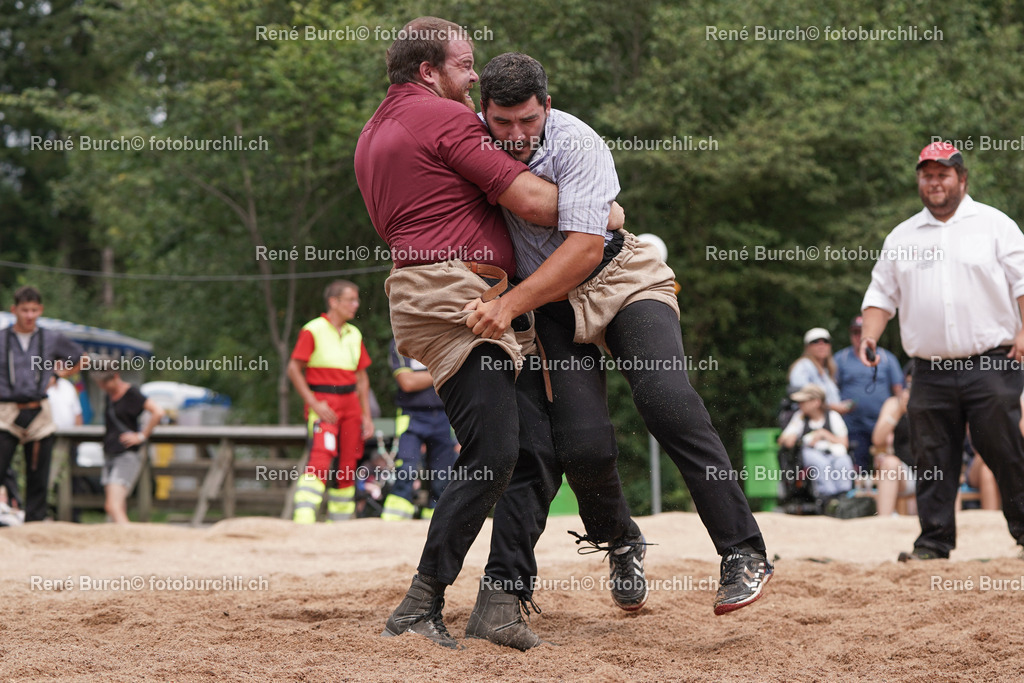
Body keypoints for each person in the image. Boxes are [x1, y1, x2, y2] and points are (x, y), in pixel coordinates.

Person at [467, 52, 772, 644]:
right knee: (581, 444)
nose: (515, 136)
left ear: (546, 108)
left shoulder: (579, 144)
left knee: (666, 400)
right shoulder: (472, 144)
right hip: (549, 304)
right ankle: (621, 540)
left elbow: (584, 248)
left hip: (620, 279)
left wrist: (506, 305)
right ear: (485, 114)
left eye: (527, 121)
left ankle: (743, 551)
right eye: (502, 123)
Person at [355, 17, 623, 649]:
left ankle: (500, 602)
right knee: (496, 452)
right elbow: (530, 201)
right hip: (458, 300)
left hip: (445, 297)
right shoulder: (441, 119)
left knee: (535, 449)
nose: (475, 76)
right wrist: (598, 204)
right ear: (429, 72)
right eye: (465, 64)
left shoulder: (375, 129)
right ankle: (420, 602)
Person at [860, 141, 1024, 561]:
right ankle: (933, 542)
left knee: (1004, 449)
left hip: (992, 361)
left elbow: (1022, 282)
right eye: (927, 175)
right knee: (932, 457)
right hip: (929, 370)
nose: (934, 182)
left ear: (962, 179)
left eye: (943, 174)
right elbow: (882, 294)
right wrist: (871, 336)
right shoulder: (902, 236)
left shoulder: (995, 225)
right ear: (920, 180)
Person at [287, 280, 373, 524]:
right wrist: (314, 404)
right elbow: (293, 369)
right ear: (334, 302)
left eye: (357, 300)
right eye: (351, 300)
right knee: (321, 458)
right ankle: (303, 518)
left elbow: (362, 378)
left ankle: (341, 524)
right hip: (324, 403)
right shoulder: (313, 329)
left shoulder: (354, 333)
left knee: (348, 463)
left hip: (351, 406)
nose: (356, 305)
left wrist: (366, 416)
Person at [0, 285, 85, 522]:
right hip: (5, 412)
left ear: (40, 310)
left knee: (39, 474)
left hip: (39, 412)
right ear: (14, 310)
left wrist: (59, 375)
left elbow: (82, 358)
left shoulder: (51, 338)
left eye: (34, 310)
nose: (29, 316)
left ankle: (34, 523)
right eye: (24, 310)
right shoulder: (2, 338)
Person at [380, 339, 458, 521]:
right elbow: (407, 382)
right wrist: (441, 371)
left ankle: (436, 519)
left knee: (443, 474)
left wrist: (425, 376)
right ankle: (394, 519)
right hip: (411, 415)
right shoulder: (401, 343)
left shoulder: (442, 341)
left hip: (444, 415)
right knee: (406, 468)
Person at [93, 369, 165, 523]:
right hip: (110, 452)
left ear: (116, 376)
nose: (102, 386)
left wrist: (141, 436)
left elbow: (158, 412)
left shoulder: (132, 394)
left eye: (105, 382)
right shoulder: (109, 396)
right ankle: (117, 540)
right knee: (114, 505)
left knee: (113, 506)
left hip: (127, 454)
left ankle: (130, 539)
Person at [835, 316, 904, 472]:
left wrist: (896, 423)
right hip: (853, 424)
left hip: (882, 424)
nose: (859, 337)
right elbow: (831, 390)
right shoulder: (841, 358)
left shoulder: (887, 358)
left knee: (886, 464)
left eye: (862, 332)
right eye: (855, 332)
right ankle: (858, 495)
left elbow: (899, 392)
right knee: (857, 466)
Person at [778, 384, 854, 502]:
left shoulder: (833, 416)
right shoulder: (800, 418)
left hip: (833, 453)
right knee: (820, 462)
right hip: (811, 454)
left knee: (843, 461)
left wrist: (824, 434)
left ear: (816, 402)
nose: (800, 404)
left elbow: (844, 443)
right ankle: (828, 497)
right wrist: (791, 437)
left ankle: (844, 496)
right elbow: (784, 440)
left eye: (804, 401)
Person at [871, 365, 917, 517]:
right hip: (905, 473)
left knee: (947, 463)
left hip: (934, 471)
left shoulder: (938, 401)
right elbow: (877, 439)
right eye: (909, 384)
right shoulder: (894, 403)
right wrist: (899, 411)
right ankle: (884, 523)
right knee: (889, 464)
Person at [788, 328, 847, 416]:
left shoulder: (827, 369)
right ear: (807, 347)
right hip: (810, 422)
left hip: (827, 420)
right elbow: (802, 400)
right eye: (815, 341)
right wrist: (836, 408)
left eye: (825, 341)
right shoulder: (802, 366)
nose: (821, 345)